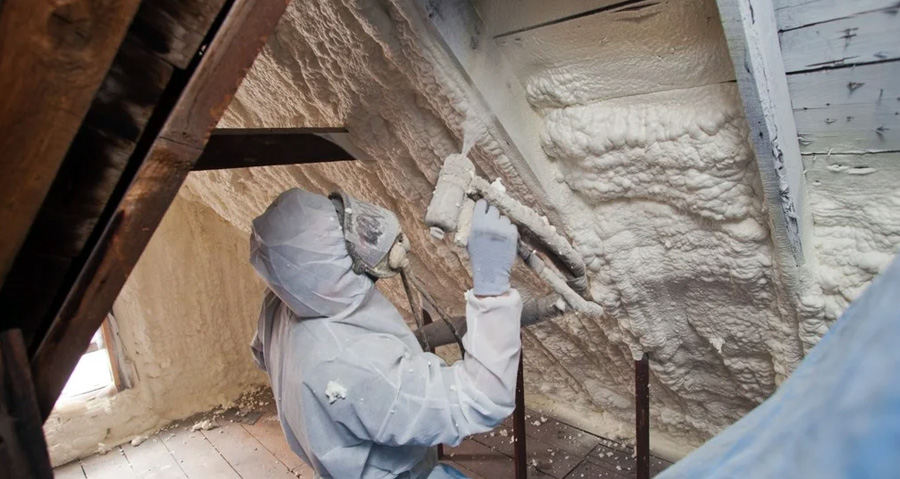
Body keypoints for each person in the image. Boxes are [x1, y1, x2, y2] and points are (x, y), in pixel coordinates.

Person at [248, 188, 522, 479]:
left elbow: (261, 355)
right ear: (331, 277)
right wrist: (492, 287)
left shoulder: (282, 300)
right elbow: (482, 399)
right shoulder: (351, 363)